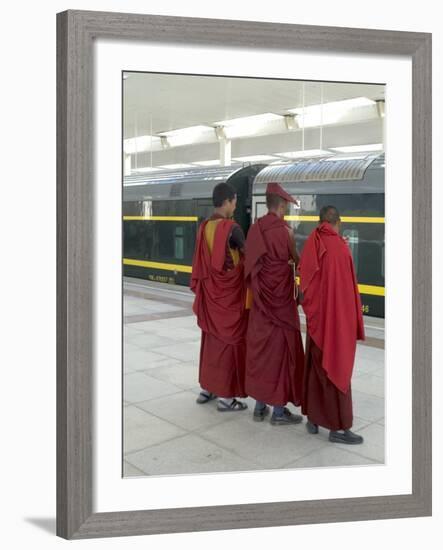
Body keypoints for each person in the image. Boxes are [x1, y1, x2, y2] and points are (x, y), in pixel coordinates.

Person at [299, 205, 365, 444]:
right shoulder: (342, 249)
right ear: (338, 223)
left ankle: (313, 420)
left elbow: (304, 287)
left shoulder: (311, 243)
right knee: (337, 369)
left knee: (316, 371)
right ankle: (338, 428)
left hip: (316, 324)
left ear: (320, 222)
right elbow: (349, 293)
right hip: (335, 326)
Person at [244, 182, 305, 425]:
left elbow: (249, 268)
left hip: (260, 306)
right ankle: (278, 412)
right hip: (281, 306)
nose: (287, 212)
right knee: (280, 355)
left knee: (261, 354)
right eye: (286, 207)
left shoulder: (255, 229)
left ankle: (259, 408)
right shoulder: (286, 232)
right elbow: (297, 261)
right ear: (280, 206)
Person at [190, 181, 248, 412]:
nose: (235, 206)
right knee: (230, 344)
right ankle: (226, 396)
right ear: (227, 201)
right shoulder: (232, 228)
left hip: (211, 296)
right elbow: (249, 257)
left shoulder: (204, 227)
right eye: (234, 202)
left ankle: (208, 388)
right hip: (230, 298)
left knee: (211, 342)